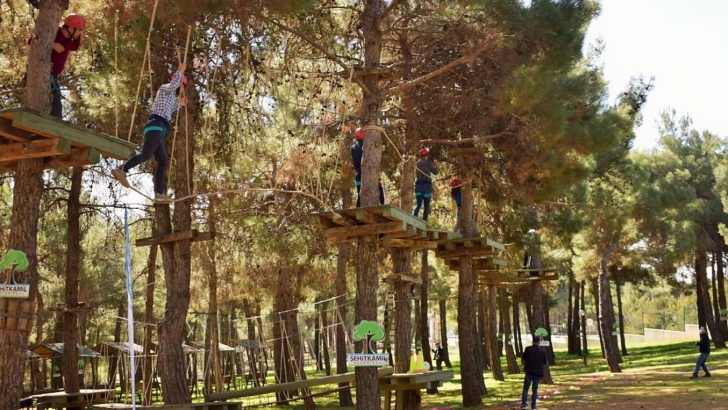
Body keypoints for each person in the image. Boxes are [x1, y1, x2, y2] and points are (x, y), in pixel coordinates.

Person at [112, 63, 188, 202]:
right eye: (180, 85)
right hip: (156, 125)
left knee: (163, 161)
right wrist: (179, 71)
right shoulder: (165, 88)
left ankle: (159, 193)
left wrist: (180, 104)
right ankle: (122, 169)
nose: (180, 88)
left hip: (159, 129)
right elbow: (172, 86)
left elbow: (169, 110)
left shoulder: (170, 98)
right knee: (146, 154)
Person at [29, 13, 85, 119]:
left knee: (54, 100)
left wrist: (80, 33)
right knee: (56, 99)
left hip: (53, 75)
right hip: (46, 72)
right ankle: (55, 123)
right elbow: (31, 40)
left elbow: (75, 46)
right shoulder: (54, 32)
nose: (80, 33)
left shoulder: (69, 40)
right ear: (71, 28)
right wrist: (52, 45)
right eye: (79, 30)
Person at [351, 127, 385, 207]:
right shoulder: (368, 145)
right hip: (370, 171)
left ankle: (358, 209)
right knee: (379, 188)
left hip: (358, 174)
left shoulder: (353, 148)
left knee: (360, 193)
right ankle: (383, 204)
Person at [521, 336, 547, 410]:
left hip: (529, 371)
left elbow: (523, 357)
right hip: (537, 372)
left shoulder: (528, 349)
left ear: (532, 342)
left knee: (526, 389)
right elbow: (545, 361)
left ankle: (524, 404)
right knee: (535, 390)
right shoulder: (542, 350)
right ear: (539, 342)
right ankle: (533, 406)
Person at [413, 147, 438, 221]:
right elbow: (435, 172)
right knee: (426, 206)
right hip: (427, 187)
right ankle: (424, 223)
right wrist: (436, 165)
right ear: (427, 155)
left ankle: (413, 220)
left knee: (418, 205)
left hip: (418, 186)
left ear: (420, 155)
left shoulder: (417, 163)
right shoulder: (428, 163)